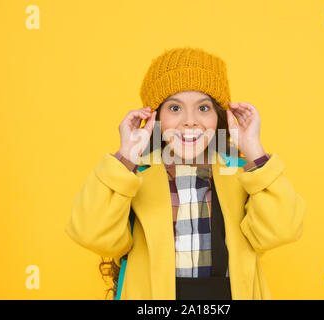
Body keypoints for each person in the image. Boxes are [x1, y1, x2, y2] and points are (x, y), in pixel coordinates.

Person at [65, 47, 306, 300]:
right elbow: (91, 233)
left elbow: (284, 229)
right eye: (175, 108)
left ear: (220, 116)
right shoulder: (134, 176)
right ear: (154, 116)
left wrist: (254, 151)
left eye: (203, 108)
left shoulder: (240, 173)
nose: (190, 121)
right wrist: (125, 157)